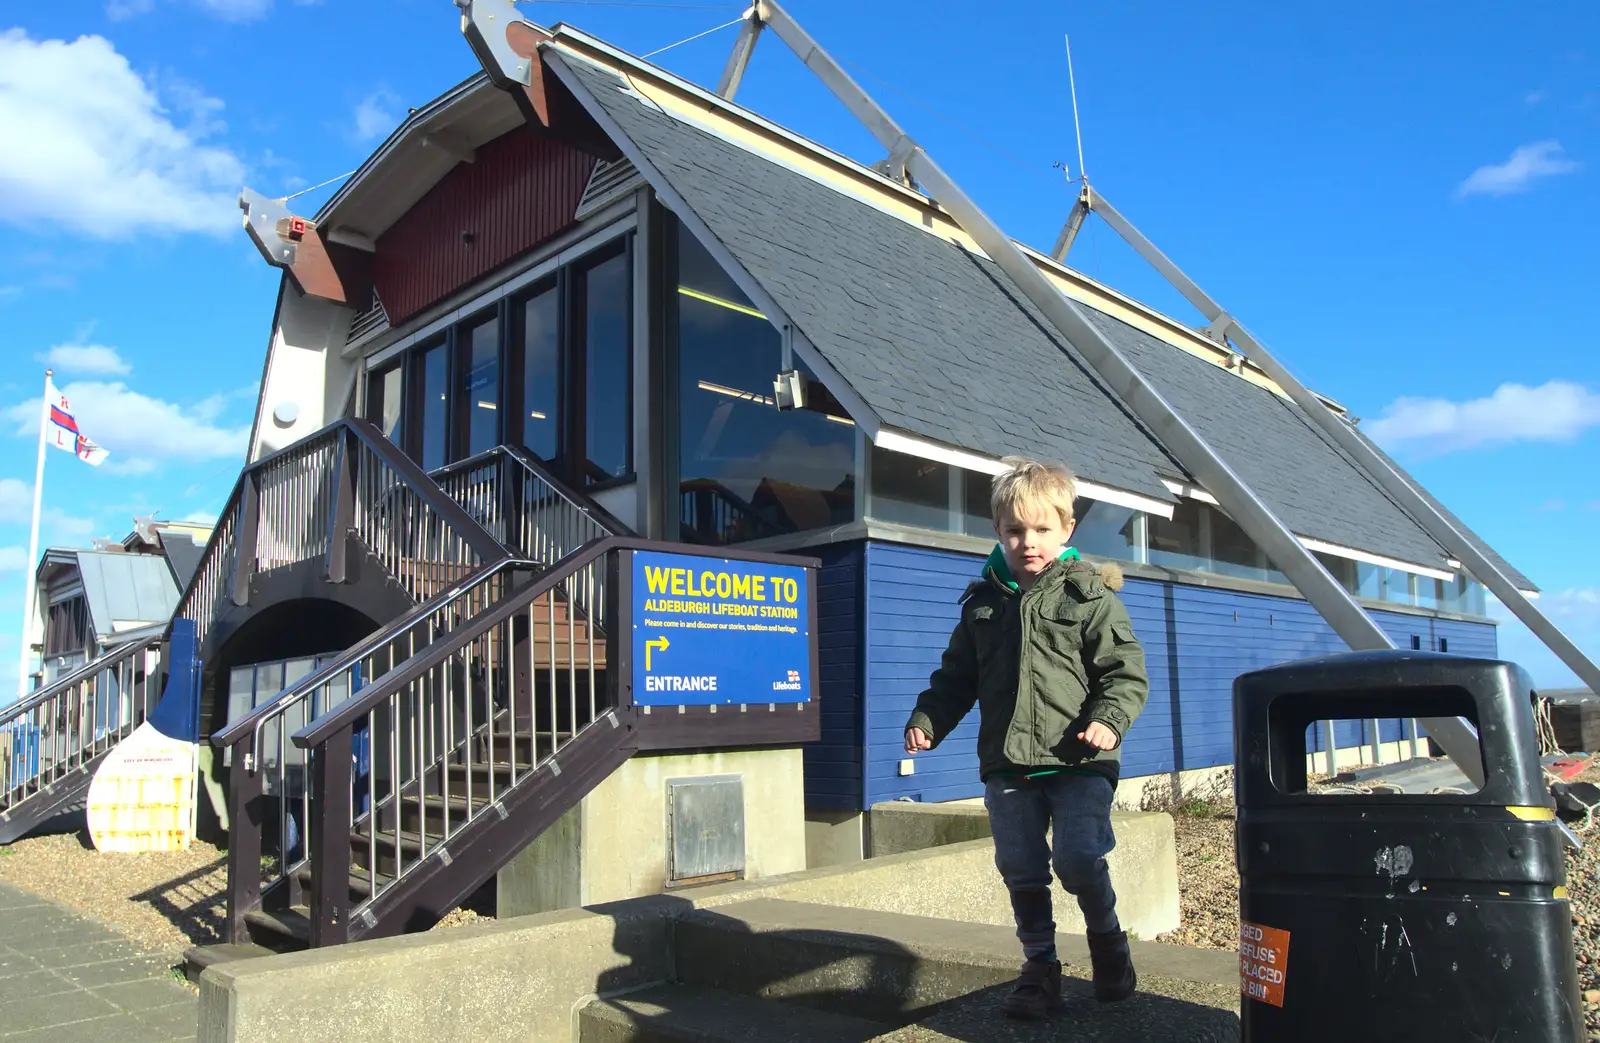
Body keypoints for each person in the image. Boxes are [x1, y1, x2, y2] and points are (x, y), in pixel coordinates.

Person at [904, 456, 1149, 1019]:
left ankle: (1108, 941)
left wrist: (1108, 721)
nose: (1028, 542)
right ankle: (1040, 966)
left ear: (1066, 530)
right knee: (1021, 867)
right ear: (998, 533)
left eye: (1041, 530)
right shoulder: (983, 605)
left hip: (1079, 760)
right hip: (1008, 765)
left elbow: (1124, 674)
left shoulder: (1090, 599)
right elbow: (956, 679)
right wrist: (927, 721)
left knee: (1079, 858)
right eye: (1015, 531)